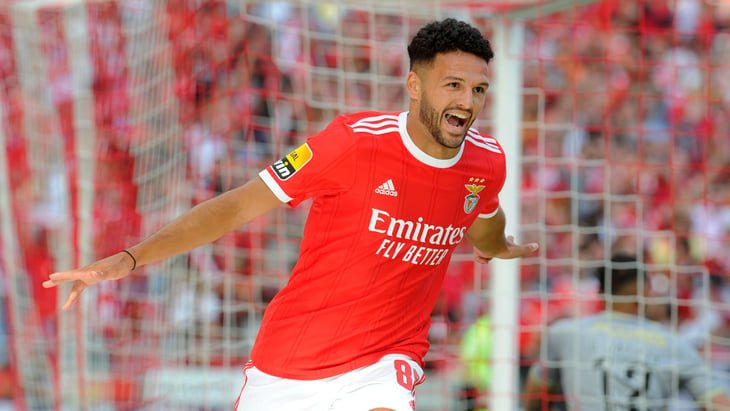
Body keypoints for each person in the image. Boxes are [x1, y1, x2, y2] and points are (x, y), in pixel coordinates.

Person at [43, 18, 538, 411]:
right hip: (287, 364)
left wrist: (499, 247)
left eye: (478, 90)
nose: (467, 101)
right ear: (415, 84)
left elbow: (482, 219)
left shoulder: (488, 161)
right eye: (453, 85)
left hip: (383, 365)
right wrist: (130, 258)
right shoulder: (351, 144)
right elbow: (236, 206)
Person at [523, 254, 730, 411]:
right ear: (644, 294)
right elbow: (720, 404)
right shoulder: (674, 344)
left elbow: (533, 400)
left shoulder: (565, 334)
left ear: (601, 292)